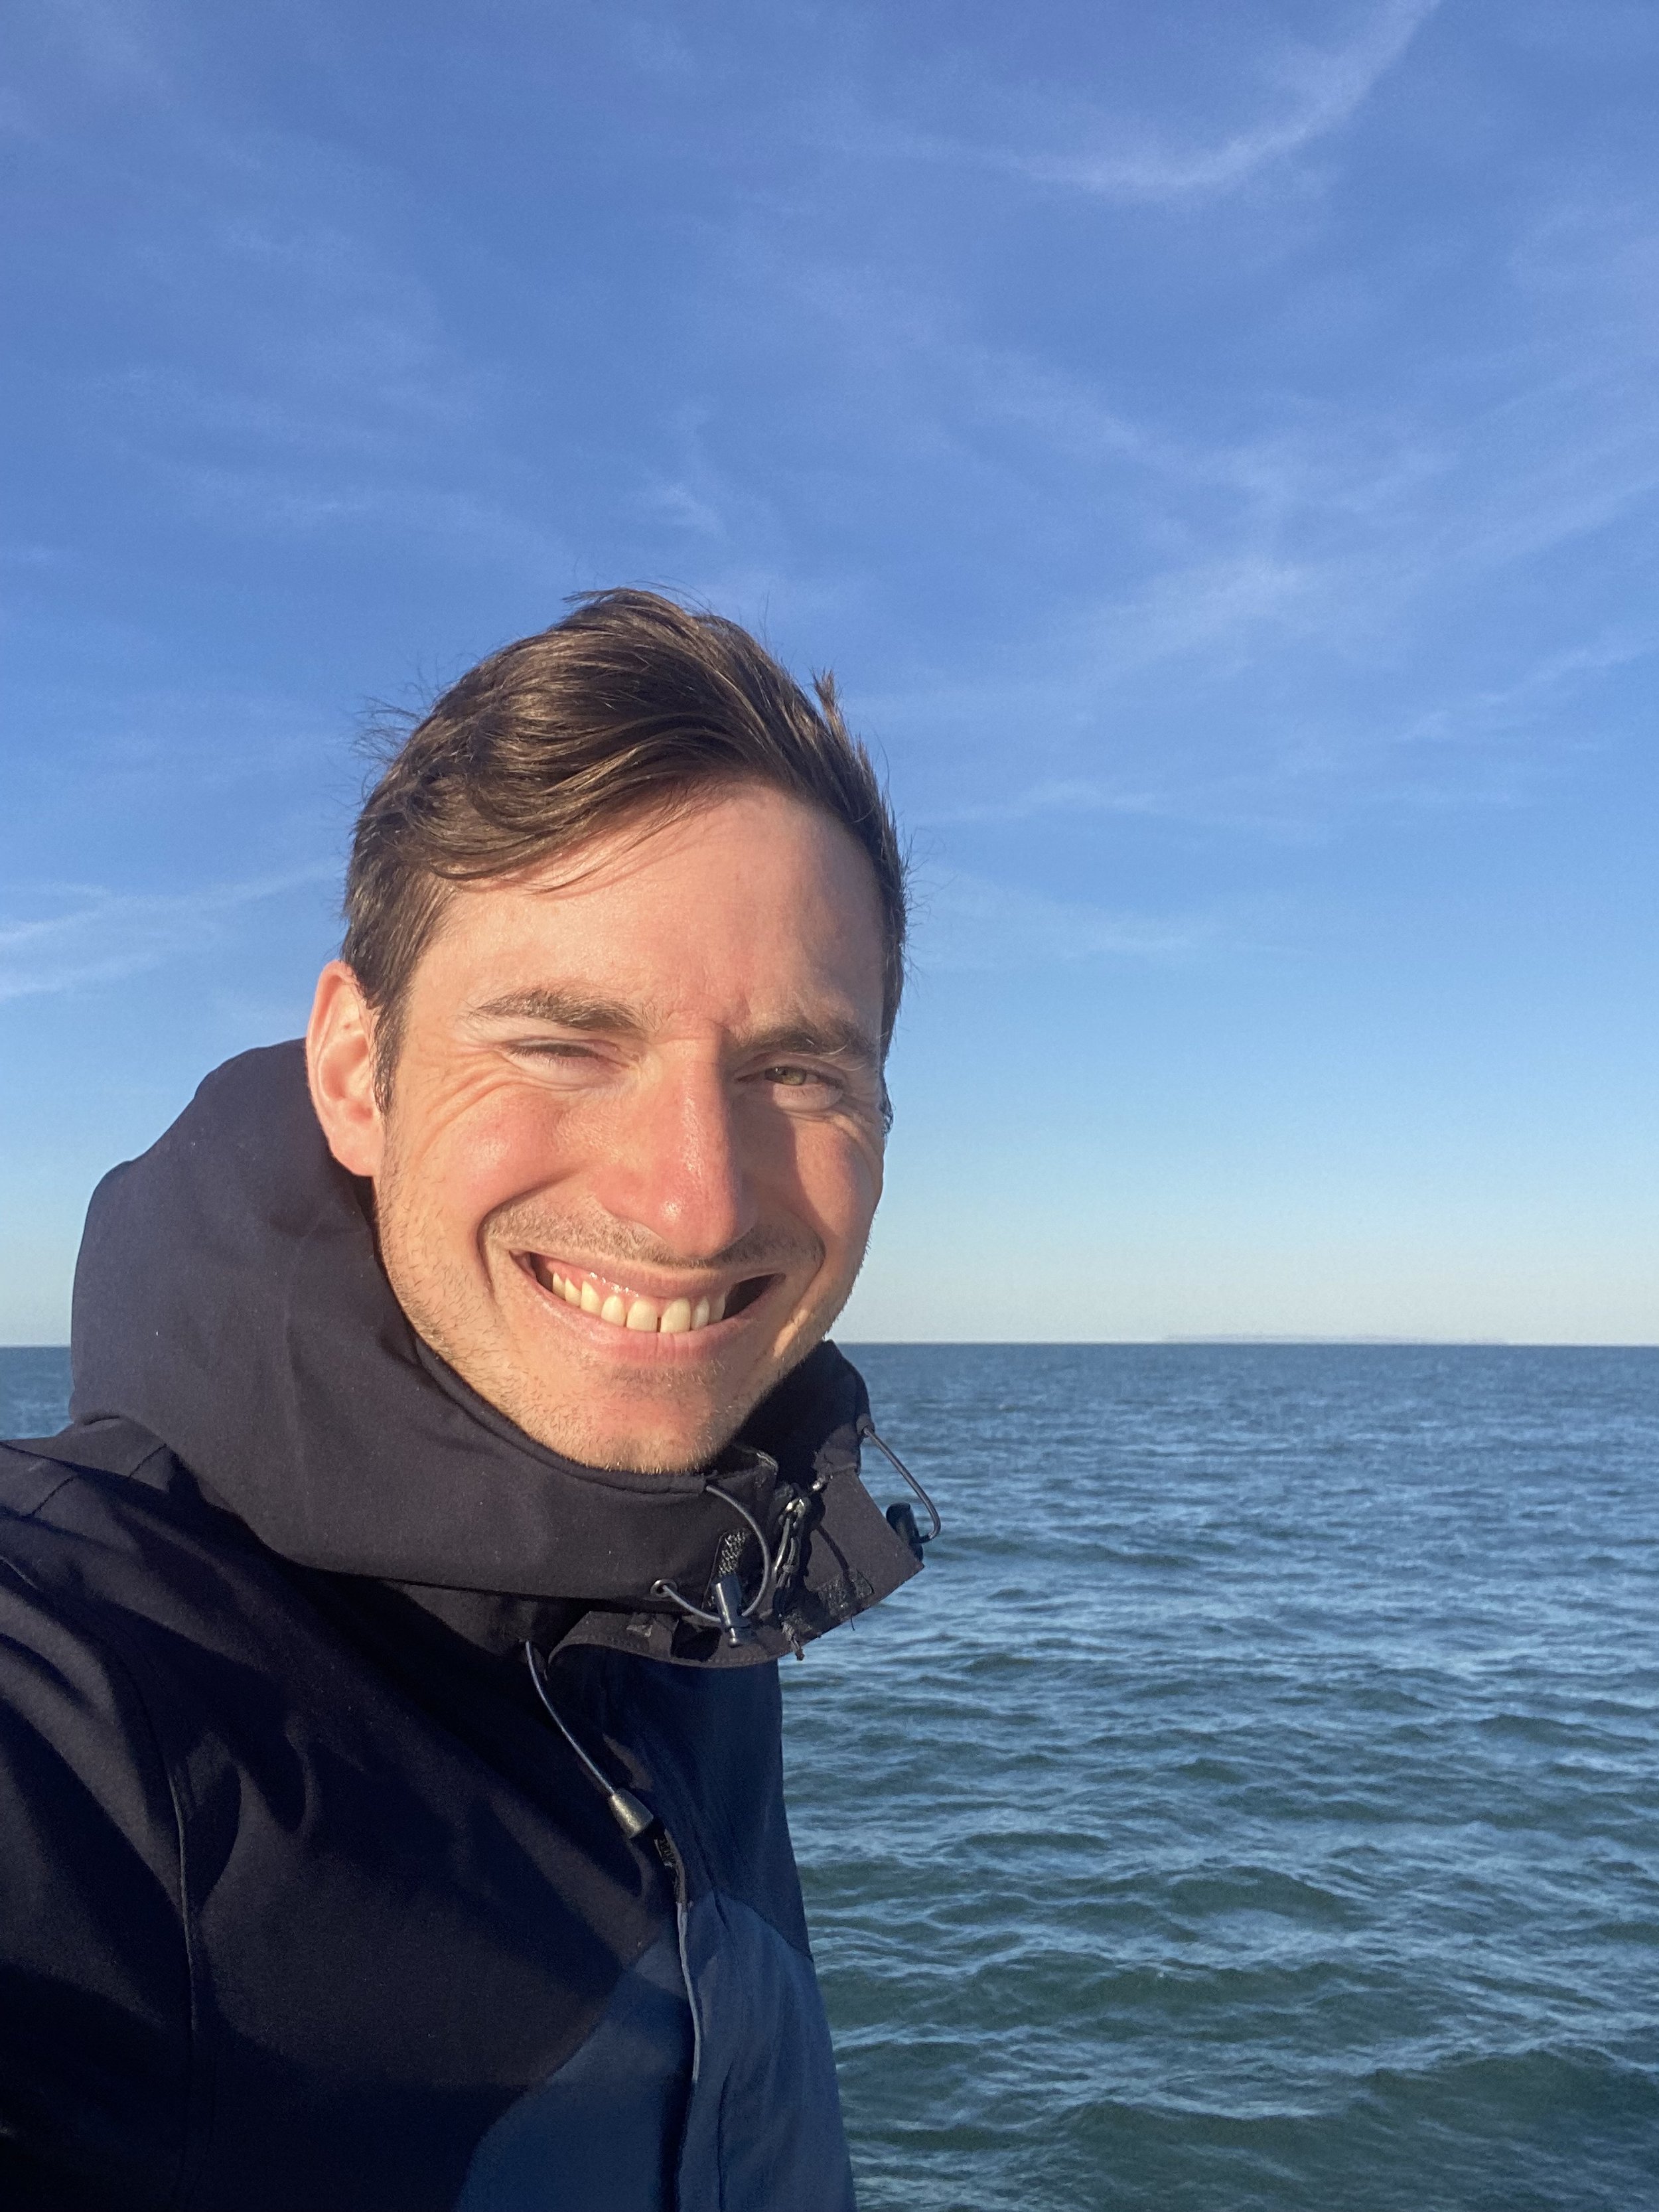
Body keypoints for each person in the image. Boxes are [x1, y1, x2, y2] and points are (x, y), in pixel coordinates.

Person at [0, 589, 940, 2212]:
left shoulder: (702, 1566)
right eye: (567, 1040)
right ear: (355, 1073)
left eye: (797, 1071)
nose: (696, 1202)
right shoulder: (91, 1701)